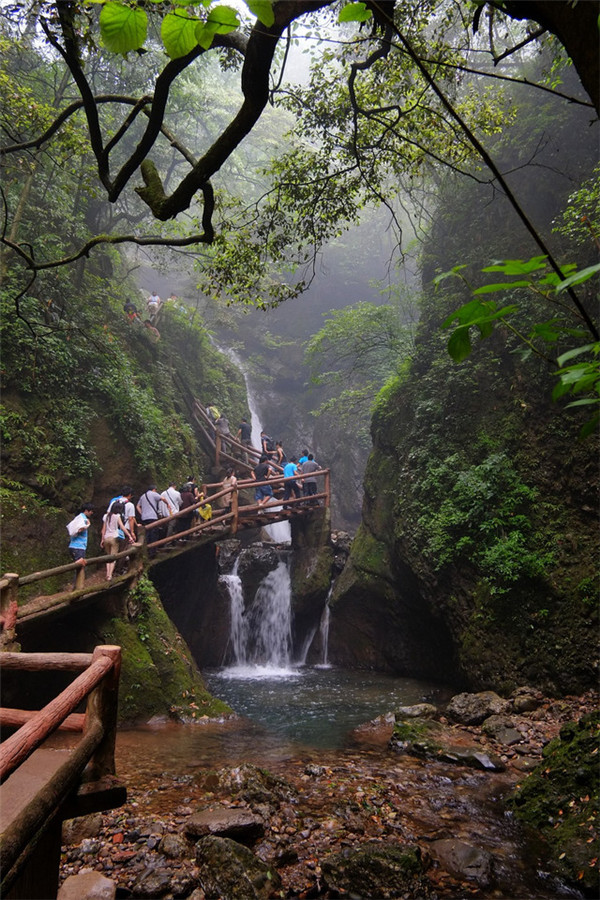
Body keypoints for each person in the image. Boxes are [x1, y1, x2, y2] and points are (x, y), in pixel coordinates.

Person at [100, 502, 133, 580]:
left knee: (108, 557)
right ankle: (109, 576)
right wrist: (129, 535)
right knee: (113, 558)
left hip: (106, 538)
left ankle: (107, 574)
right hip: (114, 538)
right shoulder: (117, 516)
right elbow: (122, 527)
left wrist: (102, 539)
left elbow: (103, 530)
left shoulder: (106, 516)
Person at [67, 503, 94, 586]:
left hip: (73, 546)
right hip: (78, 547)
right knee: (80, 567)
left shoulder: (78, 517)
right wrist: (86, 525)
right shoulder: (83, 519)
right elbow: (78, 530)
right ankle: (78, 587)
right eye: (91, 511)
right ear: (86, 511)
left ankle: (77, 586)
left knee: (78, 566)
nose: (92, 513)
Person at [136, 485, 163, 552]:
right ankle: (153, 550)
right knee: (154, 533)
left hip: (144, 518)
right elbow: (163, 498)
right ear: (154, 489)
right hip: (152, 516)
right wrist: (168, 504)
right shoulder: (153, 494)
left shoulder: (143, 496)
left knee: (147, 533)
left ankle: (146, 550)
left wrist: (142, 513)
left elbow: (137, 506)